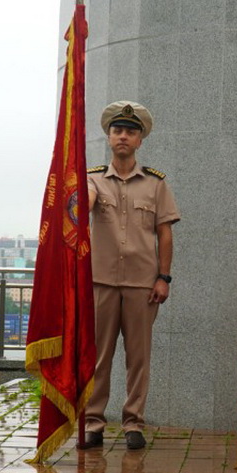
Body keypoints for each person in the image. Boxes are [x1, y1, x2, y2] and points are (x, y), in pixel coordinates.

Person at [82, 101, 180, 450]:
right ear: (109, 137)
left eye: (131, 131)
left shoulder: (155, 184)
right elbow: (82, 207)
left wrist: (163, 278)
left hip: (142, 284)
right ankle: (93, 422)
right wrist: (83, 192)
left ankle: (133, 423)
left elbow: (165, 233)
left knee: (138, 358)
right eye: (118, 130)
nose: (123, 136)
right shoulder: (92, 179)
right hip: (101, 282)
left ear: (140, 140)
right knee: (99, 357)